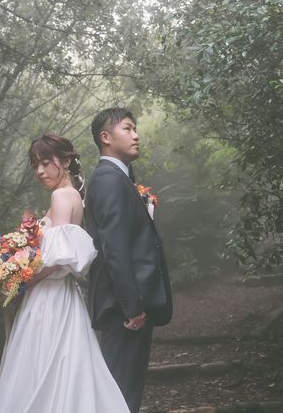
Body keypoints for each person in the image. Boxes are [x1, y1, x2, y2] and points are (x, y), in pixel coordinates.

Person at [0, 133, 130, 413]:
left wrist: (20, 283)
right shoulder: (73, 195)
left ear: (65, 161)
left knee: (43, 365)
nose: (39, 171)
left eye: (45, 163)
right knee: (65, 366)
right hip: (61, 297)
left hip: (49, 300)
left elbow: (58, 260)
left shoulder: (61, 196)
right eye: (35, 166)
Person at [85, 107, 173, 413]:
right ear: (105, 137)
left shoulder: (120, 177)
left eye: (135, 129)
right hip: (124, 310)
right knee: (120, 396)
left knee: (125, 395)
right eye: (127, 128)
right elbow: (114, 248)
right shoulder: (108, 179)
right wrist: (132, 307)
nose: (136, 135)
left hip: (130, 306)